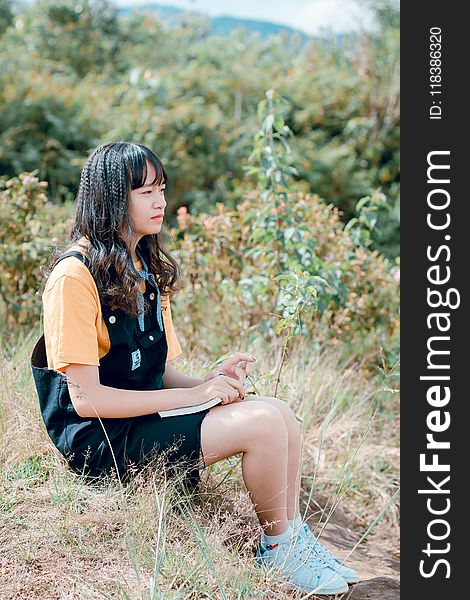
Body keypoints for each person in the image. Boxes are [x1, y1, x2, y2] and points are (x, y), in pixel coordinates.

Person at [30, 141, 358, 595]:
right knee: (262, 424)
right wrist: (193, 398)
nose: (161, 201)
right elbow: (87, 401)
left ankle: (292, 537)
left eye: (161, 188)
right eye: (144, 191)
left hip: (141, 421)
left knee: (278, 412)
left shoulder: (142, 265)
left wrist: (211, 381)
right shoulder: (74, 275)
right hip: (101, 444)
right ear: (109, 197)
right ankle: (278, 548)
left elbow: (157, 373)